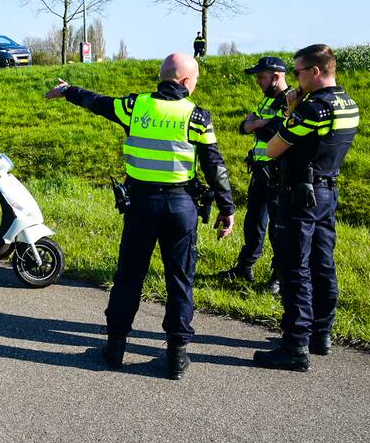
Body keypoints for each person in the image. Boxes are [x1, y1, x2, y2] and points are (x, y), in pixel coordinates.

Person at [45, 53, 235, 379]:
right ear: (186, 81)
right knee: (180, 281)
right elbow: (214, 166)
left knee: (129, 277)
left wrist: (67, 90)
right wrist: (227, 207)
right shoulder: (197, 117)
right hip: (180, 207)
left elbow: (98, 103)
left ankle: (115, 348)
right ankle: (176, 357)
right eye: (195, 80)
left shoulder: (135, 107)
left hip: (141, 205)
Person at [253, 44, 359, 371]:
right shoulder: (348, 103)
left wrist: (291, 110)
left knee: (294, 268)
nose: (296, 79)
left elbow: (273, 149)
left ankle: (295, 346)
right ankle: (320, 334)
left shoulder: (312, 109)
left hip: (299, 195)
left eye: (298, 72)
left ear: (315, 71)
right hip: (327, 191)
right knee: (323, 263)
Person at [220, 56, 293, 291]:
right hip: (259, 171)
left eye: (261, 77)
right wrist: (256, 124)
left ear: (276, 77)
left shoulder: (291, 100)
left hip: (277, 173)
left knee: (277, 227)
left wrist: (257, 124)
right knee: (253, 222)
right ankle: (245, 267)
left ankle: (279, 276)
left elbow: (272, 132)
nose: (258, 81)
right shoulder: (267, 100)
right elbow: (243, 127)